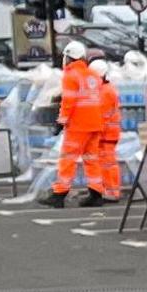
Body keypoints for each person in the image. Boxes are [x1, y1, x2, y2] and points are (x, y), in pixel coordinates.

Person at [46, 40, 122, 207]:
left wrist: (60, 122)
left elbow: (69, 102)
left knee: (68, 158)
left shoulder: (71, 75)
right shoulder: (92, 76)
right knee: (92, 159)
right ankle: (96, 193)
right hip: (95, 125)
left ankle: (59, 194)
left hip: (78, 125)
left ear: (69, 57)